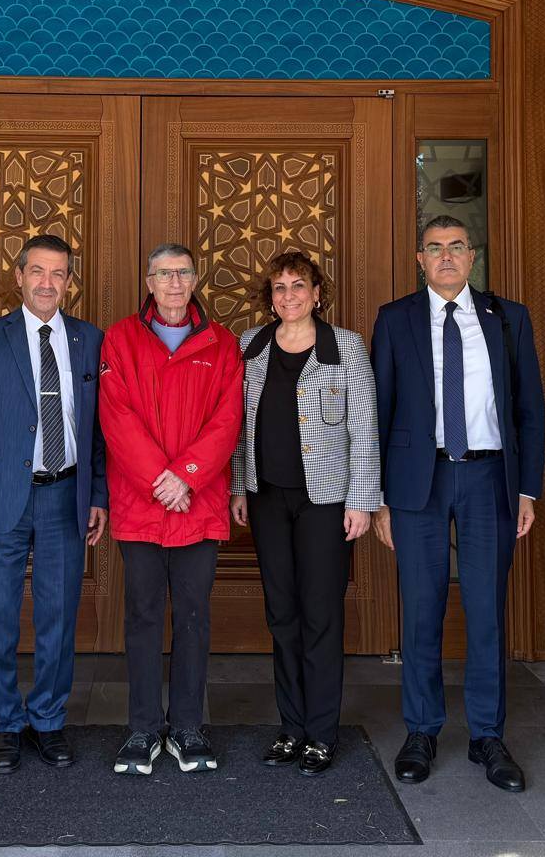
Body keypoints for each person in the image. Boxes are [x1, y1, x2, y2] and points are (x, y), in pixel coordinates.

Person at [371, 215, 545, 791]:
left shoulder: (508, 318)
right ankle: (421, 731)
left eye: (456, 247)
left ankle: (487, 735)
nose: (446, 256)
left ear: (472, 256)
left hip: (489, 479)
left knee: (486, 609)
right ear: (419, 259)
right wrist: (381, 498)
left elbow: (530, 409)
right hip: (417, 483)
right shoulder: (394, 319)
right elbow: (380, 412)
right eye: (434, 248)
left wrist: (526, 489)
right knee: (421, 609)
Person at [0, 234, 108, 775]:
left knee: (59, 618)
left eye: (58, 273)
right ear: (19, 277)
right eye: (37, 271)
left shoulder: (89, 340)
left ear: (69, 282)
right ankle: (6, 725)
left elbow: (97, 429)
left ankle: (49, 721)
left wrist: (98, 495)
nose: (47, 283)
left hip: (66, 496)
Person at [229, 250, 380, 777]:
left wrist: (362, 499)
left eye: (298, 286)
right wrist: (238, 487)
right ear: (269, 298)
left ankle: (321, 733)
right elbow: (237, 425)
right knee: (282, 614)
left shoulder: (346, 347)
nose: (288, 295)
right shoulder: (250, 345)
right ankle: (291, 727)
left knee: (321, 614)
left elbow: (364, 427)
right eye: (279, 287)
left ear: (317, 293)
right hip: (267, 498)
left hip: (327, 502)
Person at [98, 243, 243, 775]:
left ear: (196, 279)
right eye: (164, 274)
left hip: (197, 503)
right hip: (141, 503)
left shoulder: (222, 343)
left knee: (194, 616)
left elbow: (228, 419)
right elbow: (116, 417)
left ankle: (186, 726)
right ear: (149, 282)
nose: (175, 283)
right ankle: (142, 727)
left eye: (183, 273)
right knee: (141, 616)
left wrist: (186, 476)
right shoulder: (120, 338)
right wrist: (161, 481)